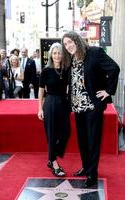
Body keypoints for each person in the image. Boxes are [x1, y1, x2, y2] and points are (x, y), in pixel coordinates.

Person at [62, 31, 120, 188]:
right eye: (65, 44)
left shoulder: (94, 52)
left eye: (69, 42)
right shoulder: (71, 59)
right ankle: (87, 167)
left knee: (93, 140)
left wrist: (108, 91)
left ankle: (92, 174)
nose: (67, 47)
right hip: (78, 106)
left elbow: (114, 68)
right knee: (82, 140)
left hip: (93, 106)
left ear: (76, 40)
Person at [38, 43, 70, 177]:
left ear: (63, 55)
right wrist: (40, 108)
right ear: (51, 54)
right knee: (51, 134)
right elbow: (40, 91)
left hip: (64, 103)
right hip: (50, 102)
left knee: (65, 132)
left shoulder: (67, 69)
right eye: (55, 53)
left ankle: (51, 157)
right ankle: (54, 163)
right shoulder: (45, 71)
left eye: (60, 53)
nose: (57, 55)